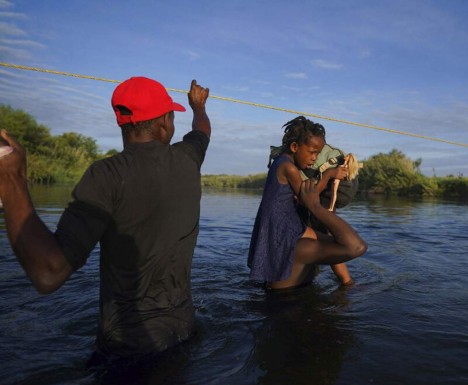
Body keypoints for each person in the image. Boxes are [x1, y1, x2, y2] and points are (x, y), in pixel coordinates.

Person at [0, 77, 211, 363]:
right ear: (164, 122)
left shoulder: (106, 175)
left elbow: (49, 273)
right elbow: (202, 131)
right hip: (185, 334)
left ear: (121, 122)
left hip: (128, 352)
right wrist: (198, 106)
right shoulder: (189, 159)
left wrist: (12, 180)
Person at [248, 116, 367, 290]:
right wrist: (328, 176)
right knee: (343, 244)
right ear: (295, 147)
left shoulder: (281, 162)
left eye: (318, 154)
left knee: (335, 242)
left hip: (290, 225)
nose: (314, 158)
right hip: (284, 229)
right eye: (312, 152)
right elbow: (307, 198)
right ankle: (347, 283)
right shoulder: (288, 167)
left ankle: (347, 282)